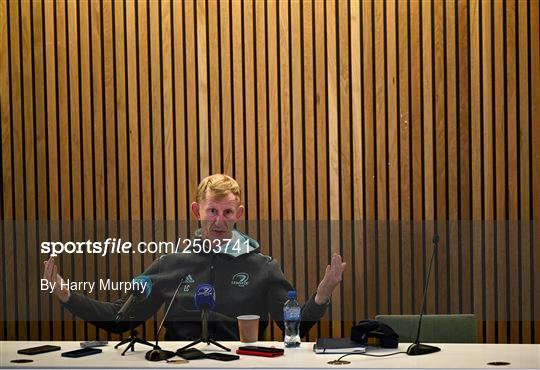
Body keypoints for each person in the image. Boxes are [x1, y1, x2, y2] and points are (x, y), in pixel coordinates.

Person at [43, 174, 346, 340]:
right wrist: (67, 295)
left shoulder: (264, 267)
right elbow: (120, 320)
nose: (218, 221)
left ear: (238, 214)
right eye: (211, 211)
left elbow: (295, 329)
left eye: (227, 212)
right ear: (196, 211)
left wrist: (321, 296)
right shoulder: (170, 264)